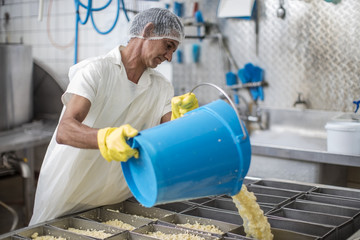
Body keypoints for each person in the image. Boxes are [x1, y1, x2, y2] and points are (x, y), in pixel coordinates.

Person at [29, 7, 198, 225]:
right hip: (68, 197)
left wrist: (185, 121)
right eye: (168, 46)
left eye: (173, 50)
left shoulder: (161, 87)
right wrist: (106, 138)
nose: (169, 57)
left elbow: (170, 137)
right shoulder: (96, 71)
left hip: (116, 202)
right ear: (148, 30)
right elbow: (65, 130)